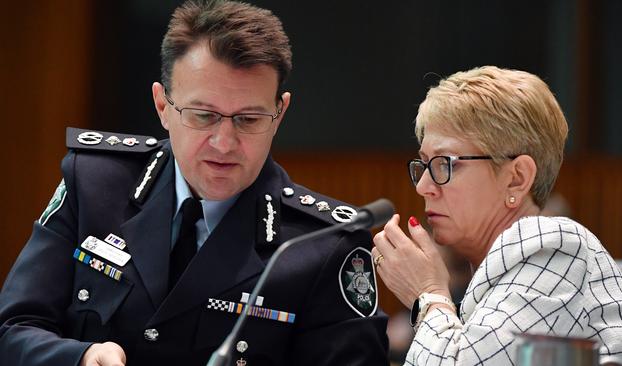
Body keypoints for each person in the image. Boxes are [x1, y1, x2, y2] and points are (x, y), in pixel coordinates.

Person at [0, 1, 389, 365]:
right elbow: (13, 329)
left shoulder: (324, 243)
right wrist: (80, 357)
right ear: (163, 106)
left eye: (249, 119)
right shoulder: (95, 184)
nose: (224, 143)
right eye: (203, 116)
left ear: (279, 112)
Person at [372, 66, 622, 365]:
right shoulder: (508, 270)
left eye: (445, 164)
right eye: (424, 165)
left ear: (517, 178)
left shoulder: (555, 247)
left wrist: (427, 295)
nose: (424, 186)